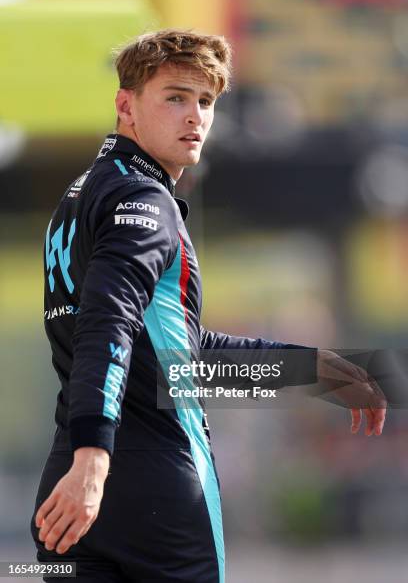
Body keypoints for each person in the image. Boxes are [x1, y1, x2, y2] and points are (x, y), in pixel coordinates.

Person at [30, 29, 386, 583]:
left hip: (69, 492)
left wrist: (307, 369)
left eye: (205, 101)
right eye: (174, 97)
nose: (194, 116)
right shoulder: (146, 201)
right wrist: (94, 456)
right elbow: (111, 321)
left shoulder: (85, 193)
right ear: (126, 106)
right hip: (150, 485)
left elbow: (173, 359)